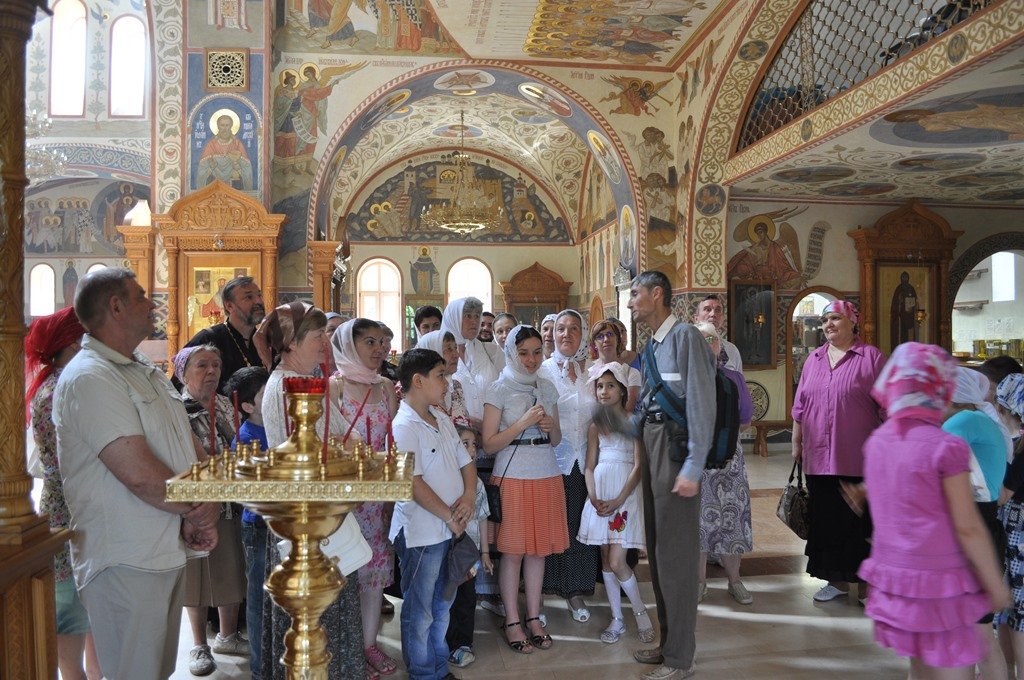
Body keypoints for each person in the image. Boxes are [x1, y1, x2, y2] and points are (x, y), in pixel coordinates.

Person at [54, 267, 219, 678]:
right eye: (142, 295)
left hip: (162, 546)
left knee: (155, 671)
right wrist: (198, 507)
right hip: (124, 555)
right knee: (134, 672)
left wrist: (206, 499)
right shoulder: (90, 377)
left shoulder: (139, 366)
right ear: (115, 307)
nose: (153, 303)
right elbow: (139, 473)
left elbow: (183, 440)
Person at [860, 343, 1010, 677]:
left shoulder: (879, 441)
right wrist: (993, 583)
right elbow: (968, 526)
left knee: (920, 667)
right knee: (951, 667)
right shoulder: (946, 447)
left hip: (897, 579)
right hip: (940, 580)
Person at [253, 301, 365, 680]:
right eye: (317, 336)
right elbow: (309, 453)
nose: (325, 342)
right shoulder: (286, 386)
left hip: (318, 515)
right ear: (291, 342)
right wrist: (343, 452)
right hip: (304, 522)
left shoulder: (303, 380)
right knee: (317, 621)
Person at [627, 270, 717, 680]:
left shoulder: (686, 337)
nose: (630, 303)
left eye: (635, 294)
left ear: (657, 294)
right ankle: (668, 645)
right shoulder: (653, 344)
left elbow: (702, 402)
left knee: (677, 560)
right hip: (654, 446)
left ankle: (681, 659)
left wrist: (694, 465)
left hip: (677, 453)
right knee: (660, 555)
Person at [389, 348, 477, 680]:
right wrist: (449, 515)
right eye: (440, 375)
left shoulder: (440, 417)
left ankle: (439, 668)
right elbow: (412, 482)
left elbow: (465, 460)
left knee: (442, 607)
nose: (446, 381)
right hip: (423, 531)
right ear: (417, 380)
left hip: (449, 527)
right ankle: (424, 673)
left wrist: (468, 495)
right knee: (421, 611)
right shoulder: (403, 426)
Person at [791, 300, 884, 605]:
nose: (827, 324)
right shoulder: (814, 359)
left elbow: (886, 406)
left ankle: (867, 587)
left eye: (834, 318)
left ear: (852, 322)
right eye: (825, 319)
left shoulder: (870, 358)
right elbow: (800, 407)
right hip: (818, 456)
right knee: (828, 521)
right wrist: (796, 442)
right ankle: (837, 581)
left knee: (860, 524)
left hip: (858, 456)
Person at [25, 307, 101, 680]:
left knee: (89, 613)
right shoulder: (61, 391)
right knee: (71, 614)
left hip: (72, 510)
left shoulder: (62, 385)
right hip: (69, 514)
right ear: (75, 344)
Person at [482, 325, 565, 655]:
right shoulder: (498, 388)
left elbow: (557, 440)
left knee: (537, 551)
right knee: (514, 551)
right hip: (512, 475)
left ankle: (534, 617)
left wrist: (549, 426)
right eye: (524, 353)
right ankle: (512, 619)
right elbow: (488, 444)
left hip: (546, 472)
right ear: (511, 353)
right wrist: (521, 424)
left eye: (536, 352)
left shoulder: (546, 387)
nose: (531, 359)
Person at [330, 318, 400, 678]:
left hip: (377, 497)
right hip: (342, 498)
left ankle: (368, 645)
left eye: (382, 342)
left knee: (372, 573)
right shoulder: (335, 387)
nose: (379, 349)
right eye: (370, 342)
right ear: (348, 345)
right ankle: (344, 647)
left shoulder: (387, 387)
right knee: (342, 572)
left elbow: (395, 443)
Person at [173, 345, 248, 675]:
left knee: (230, 563)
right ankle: (199, 644)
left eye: (216, 364)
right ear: (183, 373)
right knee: (197, 570)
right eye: (202, 365)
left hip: (229, 497)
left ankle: (228, 635)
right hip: (194, 500)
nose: (211, 370)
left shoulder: (225, 404)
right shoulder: (174, 408)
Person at [576, 362, 654, 645]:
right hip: (600, 496)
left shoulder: (633, 422)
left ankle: (640, 612)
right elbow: (588, 467)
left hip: (624, 496)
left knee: (616, 560)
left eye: (610, 386)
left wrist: (619, 499)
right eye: (599, 386)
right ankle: (617, 619)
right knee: (605, 561)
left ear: (622, 390)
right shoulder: (596, 426)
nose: (604, 391)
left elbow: (638, 466)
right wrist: (593, 496)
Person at [943, 367, 1011, 680]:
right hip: (983, 524)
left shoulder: (965, 420)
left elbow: (930, 459)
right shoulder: (980, 420)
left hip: (972, 528)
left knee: (977, 634)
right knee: (974, 633)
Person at [540, 309, 600, 621]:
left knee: (580, 526)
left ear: (582, 335)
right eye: (561, 328)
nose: (566, 334)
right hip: (553, 462)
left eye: (574, 329)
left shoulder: (591, 372)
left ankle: (575, 591)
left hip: (586, 462)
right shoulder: (543, 371)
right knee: (553, 526)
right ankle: (546, 590)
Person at [693, 322, 755, 606]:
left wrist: (722, 439)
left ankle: (735, 581)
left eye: (711, 339)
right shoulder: (686, 379)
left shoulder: (733, 378)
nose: (707, 345)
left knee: (733, 522)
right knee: (698, 525)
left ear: (719, 345)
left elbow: (745, 421)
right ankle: (698, 583)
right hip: (696, 463)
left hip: (730, 461)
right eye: (700, 340)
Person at [223, 365, 271, 676]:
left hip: (284, 520)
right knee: (258, 597)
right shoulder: (244, 437)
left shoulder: (285, 427)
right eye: (268, 395)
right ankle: (259, 668)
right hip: (259, 524)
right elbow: (240, 488)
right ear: (248, 406)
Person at [445, 426, 494, 668]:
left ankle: (462, 643)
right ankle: (444, 642)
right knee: (446, 599)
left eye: (474, 444)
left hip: (470, 554)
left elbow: (483, 517)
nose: (471, 449)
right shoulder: (445, 479)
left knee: (466, 598)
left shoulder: (477, 485)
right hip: (448, 552)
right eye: (465, 443)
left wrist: (485, 553)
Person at [183, 275, 265, 391]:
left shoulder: (267, 340)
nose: (259, 301)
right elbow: (178, 387)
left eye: (259, 295)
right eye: (249, 297)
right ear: (229, 305)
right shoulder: (207, 339)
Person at [441, 297, 505, 422]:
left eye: (477, 316)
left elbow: (505, 389)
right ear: (453, 318)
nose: (474, 321)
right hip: (455, 433)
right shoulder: (438, 354)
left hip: (492, 432)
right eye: (467, 316)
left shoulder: (492, 351)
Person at [415, 330, 471, 429]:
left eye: (455, 348)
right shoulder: (415, 390)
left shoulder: (456, 386)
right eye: (448, 349)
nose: (456, 355)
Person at [589, 319, 641, 412]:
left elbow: (627, 411)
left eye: (610, 334)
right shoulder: (588, 371)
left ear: (617, 339)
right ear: (594, 344)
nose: (606, 339)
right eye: (600, 336)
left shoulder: (631, 373)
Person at [196, 114, 255, 190]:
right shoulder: (211, 145)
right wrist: (211, 167)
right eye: (222, 125)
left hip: (235, 187)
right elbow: (202, 171)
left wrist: (236, 165)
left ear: (231, 126)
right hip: (214, 187)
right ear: (218, 126)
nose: (225, 128)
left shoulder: (237, 144)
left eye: (227, 125)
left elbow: (247, 169)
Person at [693, 295, 741, 370]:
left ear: (723, 318)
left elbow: (739, 380)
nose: (713, 314)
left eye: (718, 310)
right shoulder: (687, 347)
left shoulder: (732, 350)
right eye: (707, 309)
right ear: (696, 318)